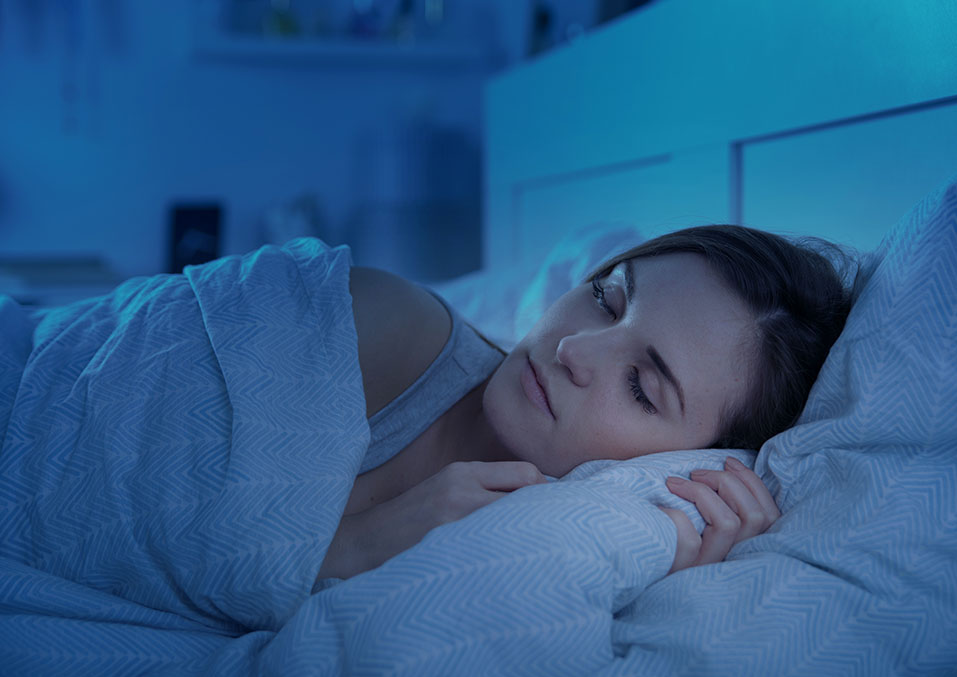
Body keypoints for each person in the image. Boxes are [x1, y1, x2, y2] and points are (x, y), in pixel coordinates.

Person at [319, 225, 853, 581]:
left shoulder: (584, 553)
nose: (571, 349)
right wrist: (359, 544)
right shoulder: (365, 322)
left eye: (640, 387)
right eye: (605, 299)